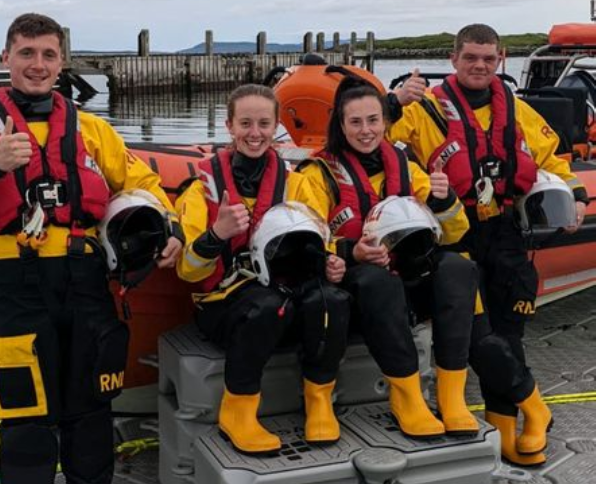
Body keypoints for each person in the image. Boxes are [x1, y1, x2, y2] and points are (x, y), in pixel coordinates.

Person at [0, 13, 183, 484]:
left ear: (61, 62)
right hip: (19, 282)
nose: (37, 64)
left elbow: (140, 180)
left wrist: (172, 229)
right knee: (26, 411)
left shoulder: (90, 129)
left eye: (48, 54)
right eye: (26, 53)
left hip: (86, 281)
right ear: (6, 57)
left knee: (91, 408)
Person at [389, 23, 588, 465]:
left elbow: (550, 156)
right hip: (452, 236)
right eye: (470, 58)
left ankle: (506, 428)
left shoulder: (515, 109)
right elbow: (372, 142)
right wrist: (395, 102)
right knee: (476, 339)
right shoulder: (425, 111)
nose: (479, 66)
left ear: (500, 59)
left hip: (505, 233)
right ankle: (534, 411)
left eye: (487, 58)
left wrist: (574, 193)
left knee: (509, 333)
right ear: (453, 60)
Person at [299, 79, 479, 439]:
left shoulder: (406, 167)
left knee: (458, 267)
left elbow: (455, 232)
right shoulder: (316, 175)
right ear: (340, 124)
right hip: (356, 287)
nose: (366, 131)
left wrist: (443, 201)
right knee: (376, 279)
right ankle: (407, 398)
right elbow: (306, 242)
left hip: (405, 276)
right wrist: (353, 252)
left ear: (385, 122)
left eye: (373, 120)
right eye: (356, 122)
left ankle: (451, 397)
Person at [175, 84, 350, 454]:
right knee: (264, 305)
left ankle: (318, 401)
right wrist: (216, 234)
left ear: (276, 127)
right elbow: (187, 272)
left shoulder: (298, 184)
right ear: (230, 126)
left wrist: (330, 262)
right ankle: (238, 412)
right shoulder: (202, 189)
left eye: (264, 124)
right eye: (246, 123)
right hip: (226, 301)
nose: (255, 133)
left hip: (288, 290)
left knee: (332, 299)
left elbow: (322, 239)